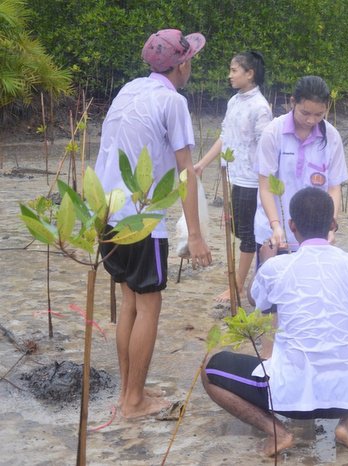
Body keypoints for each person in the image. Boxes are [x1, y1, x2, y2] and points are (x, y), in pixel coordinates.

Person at [202, 187, 348, 457]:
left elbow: (257, 303)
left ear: (292, 227)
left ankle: (278, 431)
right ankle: (347, 425)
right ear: (332, 224)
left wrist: (265, 262)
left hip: (288, 397)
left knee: (211, 371)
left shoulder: (278, 267)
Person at [95, 29, 212, 418]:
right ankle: (133, 401)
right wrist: (195, 235)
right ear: (182, 64)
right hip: (140, 217)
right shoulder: (171, 101)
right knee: (148, 305)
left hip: (106, 213)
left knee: (131, 300)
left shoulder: (130, 89)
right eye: (190, 57)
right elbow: (185, 172)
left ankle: (132, 390)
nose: (191, 63)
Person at [194, 51, 273, 303]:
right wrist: (202, 164)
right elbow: (225, 137)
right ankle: (244, 281)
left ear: (250, 74)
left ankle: (238, 287)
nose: (229, 76)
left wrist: (266, 183)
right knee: (239, 232)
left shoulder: (260, 107)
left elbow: (266, 148)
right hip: (234, 177)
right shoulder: (234, 101)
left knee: (248, 235)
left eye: (234, 70)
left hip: (251, 181)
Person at [254, 75, 347, 253]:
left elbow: (334, 188)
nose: (311, 120)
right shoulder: (273, 133)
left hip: (313, 236)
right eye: (305, 113)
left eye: (319, 114)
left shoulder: (332, 137)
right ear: (292, 103)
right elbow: (265, 186)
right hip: (274, 232)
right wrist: (275, 226)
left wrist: (330, 226)